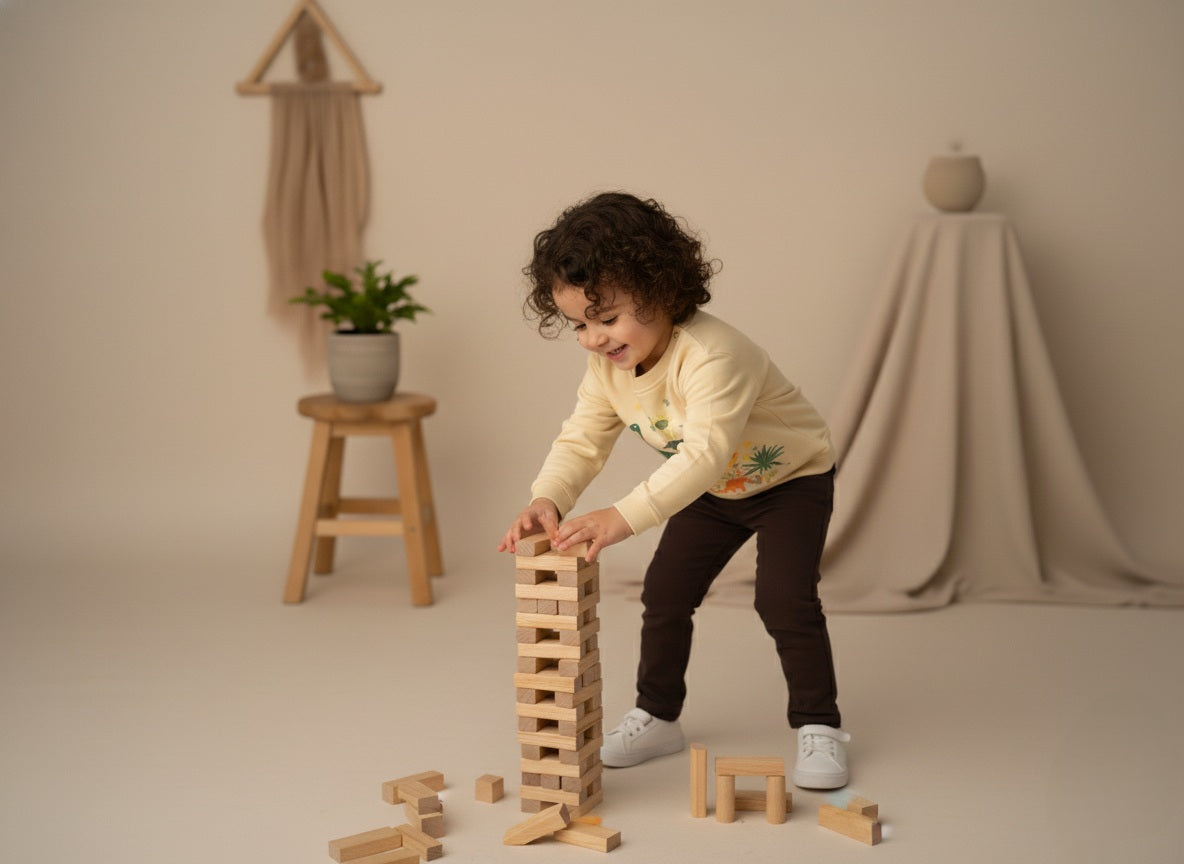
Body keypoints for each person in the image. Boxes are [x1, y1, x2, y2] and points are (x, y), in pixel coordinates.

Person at [497, 191, 850, 789]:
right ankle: (659, 715)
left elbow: (705, 453)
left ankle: (820, 723)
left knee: (783, 599)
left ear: (661, 292)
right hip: (710, 493)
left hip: (789, 481)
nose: (593, 338)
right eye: (579, 324)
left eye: (607, 319)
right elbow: (583, 437)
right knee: (664, 593)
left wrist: (624, 516)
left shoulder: (715, 355)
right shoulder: (607, 366)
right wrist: (548, 498)